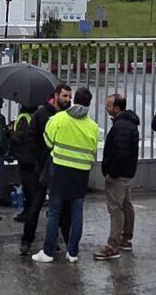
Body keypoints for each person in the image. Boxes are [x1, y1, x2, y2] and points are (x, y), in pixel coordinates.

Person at [36, 88, 99, 263]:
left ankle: (47, 252)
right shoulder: (93, 127)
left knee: (54, 212)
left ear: (73, 100)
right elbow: (93, 151)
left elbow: (48, 142)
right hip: (80, 174)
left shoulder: (58, 119)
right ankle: (73, 253)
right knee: (77, 213)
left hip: (59, 171)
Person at [14, 86, 65, 246]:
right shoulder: (55, 115)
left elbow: (29, 137)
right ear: (55, 96)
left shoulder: (40, 114)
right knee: (52, 206)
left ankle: (27, 241)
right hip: (52, 165)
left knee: (35, 205)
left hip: (41, 165)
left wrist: (39, 155)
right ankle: (52, 240)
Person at [94, 92, 140, 260]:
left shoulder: (121, 127)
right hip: (128, 172)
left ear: (117, 108)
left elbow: (119, 152)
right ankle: (126, 239)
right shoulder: (129, 123)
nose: (106, 109)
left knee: (115, 208)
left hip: (119, 175)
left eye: (108, 106)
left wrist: (111, 173)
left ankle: (113, 245)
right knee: (126, 205)